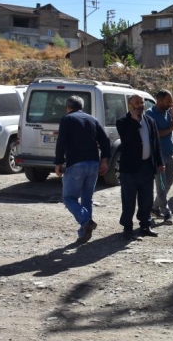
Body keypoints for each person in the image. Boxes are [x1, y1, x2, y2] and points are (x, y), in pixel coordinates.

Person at [54, 95, 111, 245]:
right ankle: (83, 233)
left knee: (68, 198)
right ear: (82, 107)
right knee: (87, 198)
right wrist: (104, 160)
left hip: (76, 164)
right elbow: (105, 140)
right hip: (93, 164)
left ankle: (86, 222)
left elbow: (61, 142)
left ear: (68, 108)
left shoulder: (67, 119)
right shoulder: (92, 119)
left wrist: (58, 162)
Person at [116, 94, 165, 241]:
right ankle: (127, 228)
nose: (140, 105)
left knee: (146, 199)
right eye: (137, 103)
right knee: (129, 199)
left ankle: (145, 226)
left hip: (146, 167)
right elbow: (126, 139)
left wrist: (159, 162)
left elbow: (156, 143)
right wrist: (134, 121)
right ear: (130, 106)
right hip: (129, 169)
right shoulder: (122, 121)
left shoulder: (150, 121)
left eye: (142, 102)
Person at [145, 90, 173, 225]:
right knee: (161, 185)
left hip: (169, 153)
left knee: (169, 183)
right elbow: (155, 134)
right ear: (159, 101)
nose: (170, 104)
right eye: (168, 102)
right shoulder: (149, 114)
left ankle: (154, 207)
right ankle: (166, 213)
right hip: (158, 156)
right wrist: (169, 129)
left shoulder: (168, 113)